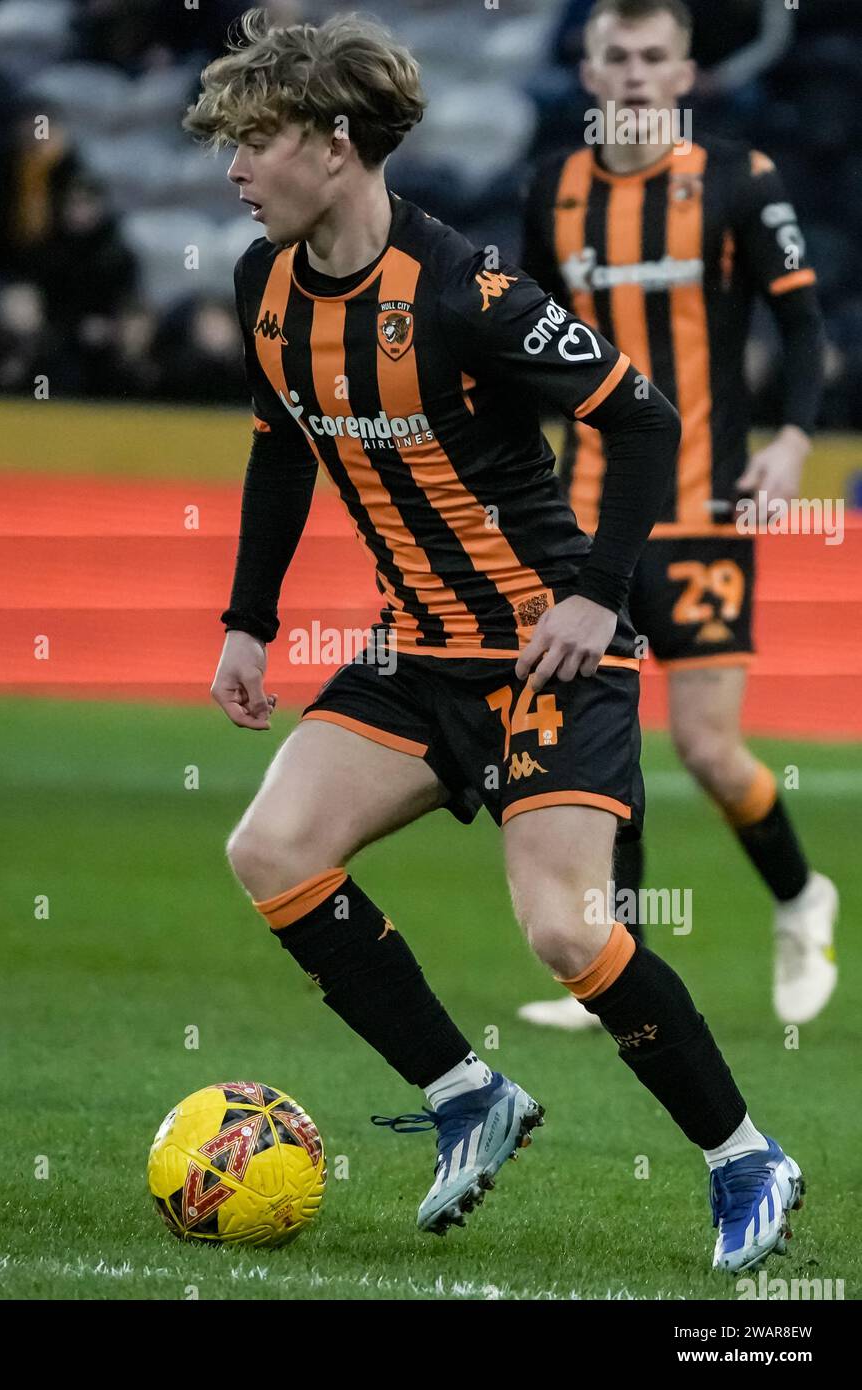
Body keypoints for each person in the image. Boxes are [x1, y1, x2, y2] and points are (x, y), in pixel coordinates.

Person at [184, 7, 804, 1271]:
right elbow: (277, 449)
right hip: (414, 651)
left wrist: (597, 594)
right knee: (272, 848)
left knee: (567, 933)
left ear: (335, 142)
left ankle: (746, 1155)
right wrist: (248, 620)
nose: (233, 172)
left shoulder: (467, 292)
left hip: (545, 651)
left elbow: (642, 417)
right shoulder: (266, 287)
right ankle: (470, 1092)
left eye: (253, 141)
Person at [517, 0, 836, 1033]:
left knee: (703, 746)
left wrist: (791, 439)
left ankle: (799, 897)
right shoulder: (553, 191)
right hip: (585, 515)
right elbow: (523, 348)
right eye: (619, 56)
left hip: (703, 505)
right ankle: (622, 955)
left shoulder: (739, 181)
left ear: (687, 74)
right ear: (591, 70)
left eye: (656, 57)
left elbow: (802, 326)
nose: (638, 74)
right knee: (602, 742)